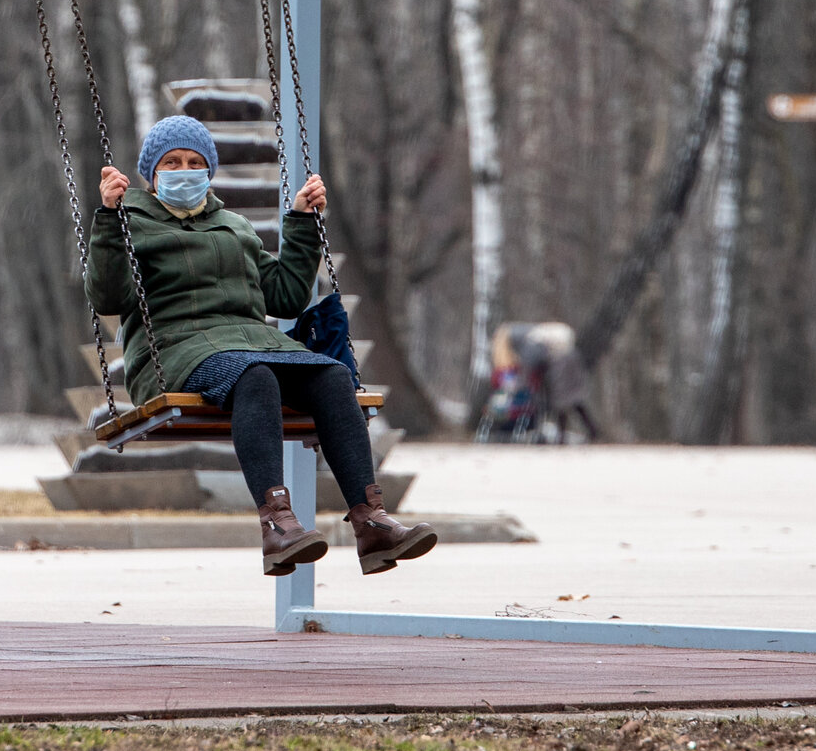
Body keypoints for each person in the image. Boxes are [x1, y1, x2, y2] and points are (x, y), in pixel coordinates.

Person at [86, 115, 436, 576]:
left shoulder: (235, 226)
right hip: (174, 352)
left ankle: (371, 523)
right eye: (171, 162)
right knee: (255, 376)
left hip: (251, 342)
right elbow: (109, 297)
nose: (184, 170)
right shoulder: (130, 224)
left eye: (194, 162)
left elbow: (286, 295)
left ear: (209, 171)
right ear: (151, 174)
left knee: (331, 375)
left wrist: (304, 224)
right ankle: (277, 524)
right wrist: (109, 220)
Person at [491, 322, 600, 443]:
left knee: (561, 401)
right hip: (570, 360)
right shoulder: (533, 336)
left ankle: (563, 436)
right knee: (574, 400)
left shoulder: (529, 343)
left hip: (561, 364)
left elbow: (529, 367)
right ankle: (591, 431)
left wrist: (517, 385)